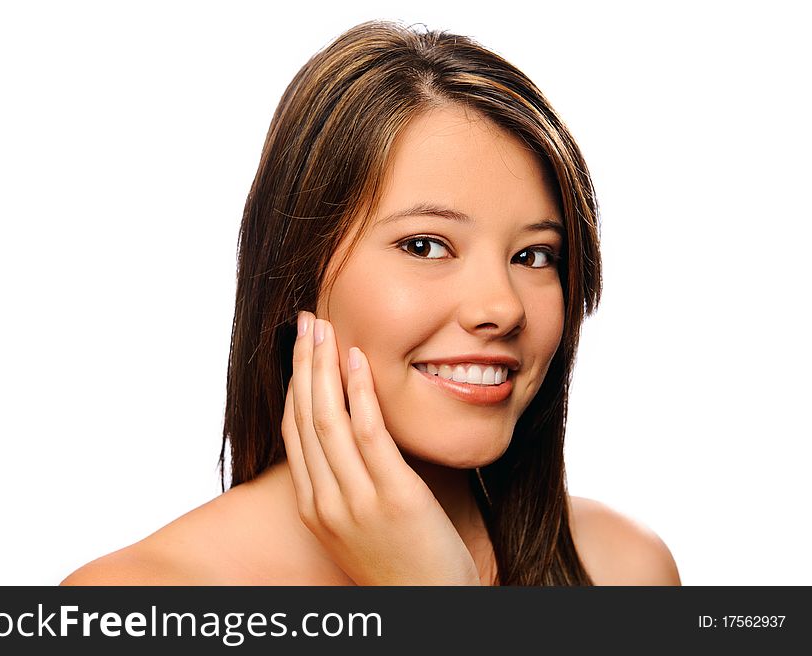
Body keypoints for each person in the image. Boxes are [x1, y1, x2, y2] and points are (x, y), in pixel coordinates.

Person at [62, 20, 680, 586]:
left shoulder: (623, 568)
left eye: (534, 256)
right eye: (426, 245)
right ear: (298, 273)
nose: (503, 307)